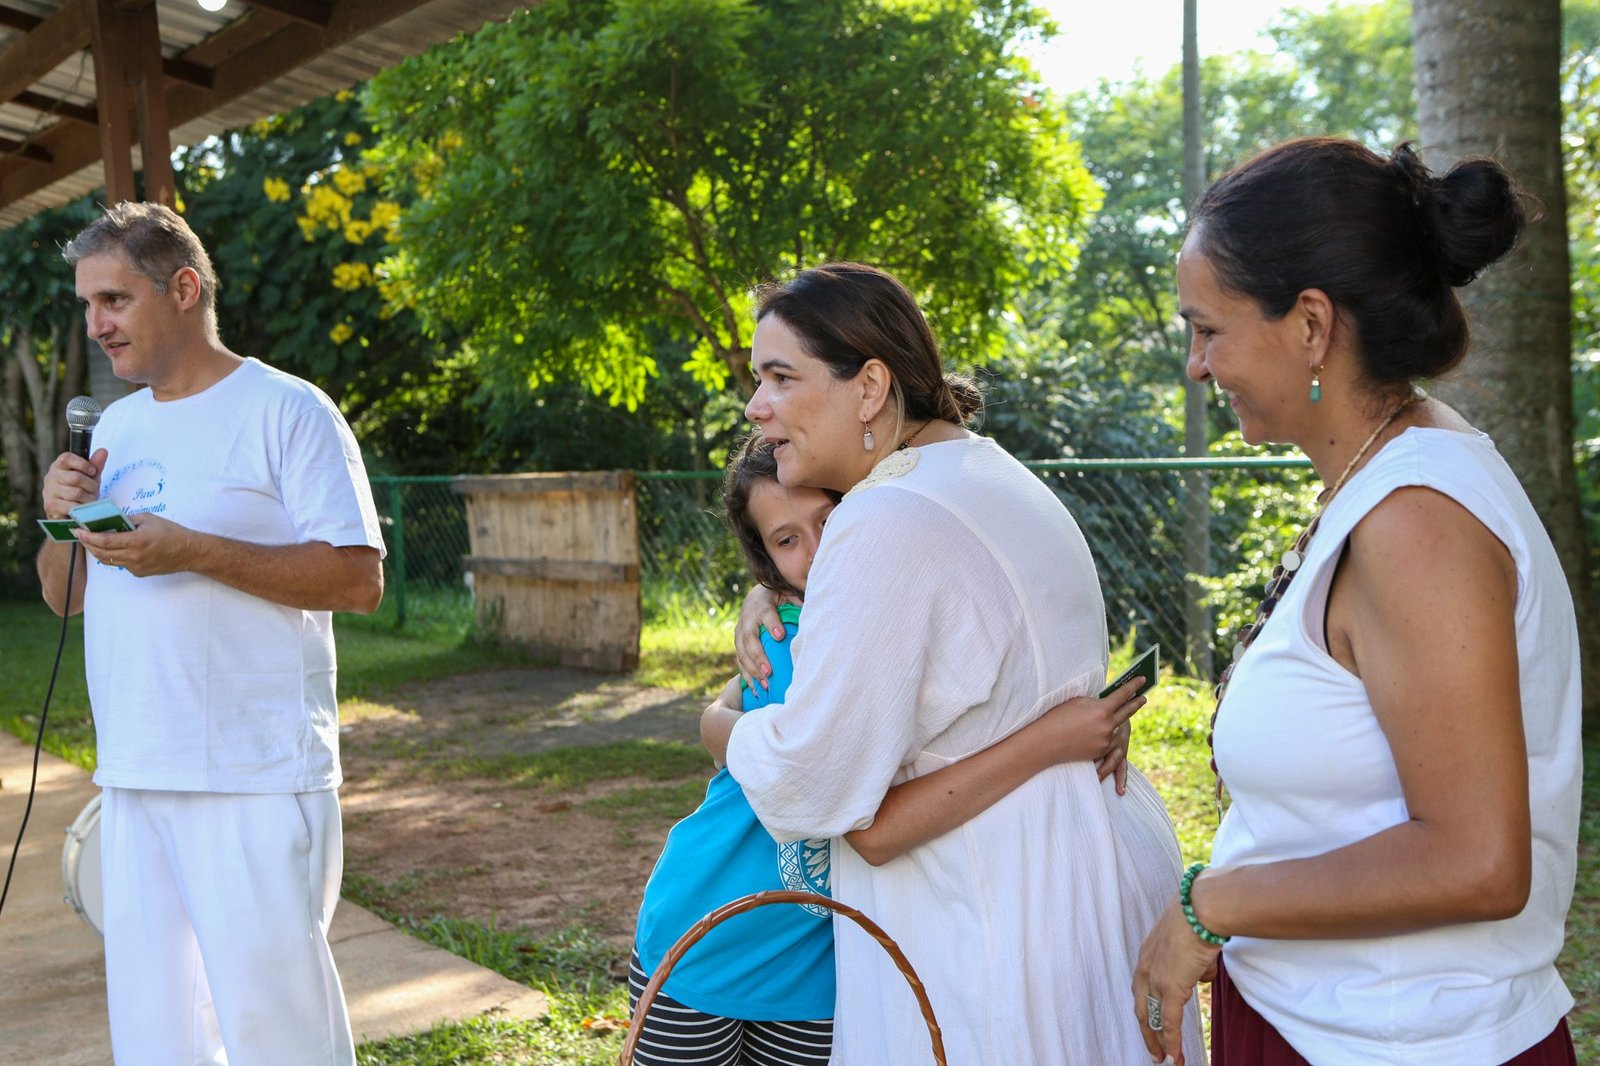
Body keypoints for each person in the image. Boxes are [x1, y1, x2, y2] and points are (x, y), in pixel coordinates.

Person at [1133, 137, 1581, 1066]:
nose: (1196, 365)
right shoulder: (1386, 476)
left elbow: (1478, 862)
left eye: (1208, 330)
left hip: (1402, 1043)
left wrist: (1209, 904)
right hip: (1326, 1021)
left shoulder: (1417, 522)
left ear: (1310, 324)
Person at [701, 262, 1205, 1064]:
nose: (756, 406)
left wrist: (718, 727)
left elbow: (820, 784)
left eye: (781, 377)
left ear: (870, 387)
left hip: (987, 911)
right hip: (1082, 870)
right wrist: (771, 591)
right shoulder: (990, 473)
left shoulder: (885, 518)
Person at [632, 433, 1154, 1065]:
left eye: (829, 520)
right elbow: (852, 811)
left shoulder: (870, 615)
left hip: (816, 974)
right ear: (766, 561)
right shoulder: (800, 644)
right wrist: (1053, 738)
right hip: (704, 945)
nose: (817, 551)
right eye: (787, 540)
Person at [38, 201, 385, 1066]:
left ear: (185, 289)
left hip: (253, 774)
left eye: (114, 299)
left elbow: (358, 579)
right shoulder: (116, 428)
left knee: (280, 1038)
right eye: (88, 305)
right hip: (134, 771)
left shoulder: (288, 410)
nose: (97, 324)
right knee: (157, 1042)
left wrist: (191, 550)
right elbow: (63, 597)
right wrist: (58, 516)